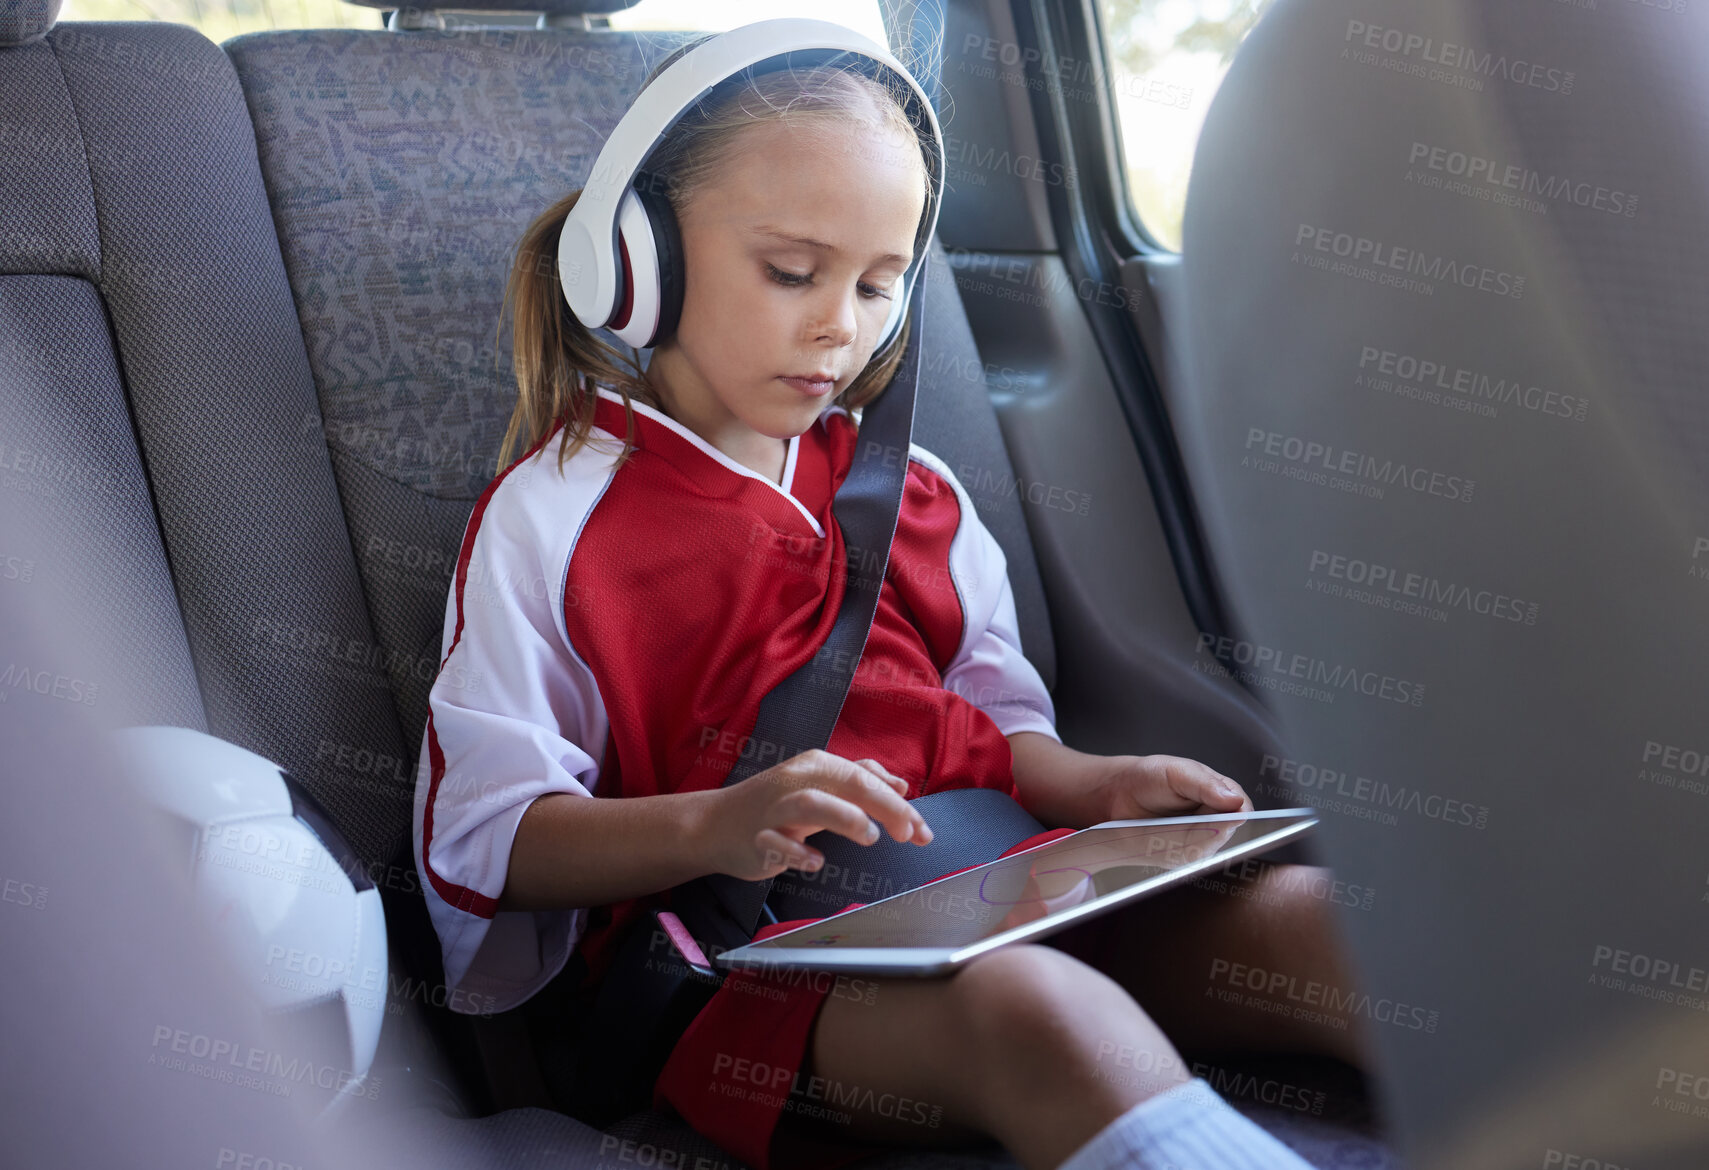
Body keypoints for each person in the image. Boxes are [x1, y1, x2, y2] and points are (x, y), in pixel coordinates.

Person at [414, 33, 1370, 1170]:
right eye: (790, 272)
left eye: (877, 284)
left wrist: (1092, 783)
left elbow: (989, 717)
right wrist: (717, 824)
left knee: (1336, 924)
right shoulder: (555, 517)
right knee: (1036, 1016)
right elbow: (485, 839)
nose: (841, 326)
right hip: (754, 962)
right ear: (638, 260)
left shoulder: (916, 494)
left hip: (1004, 884)